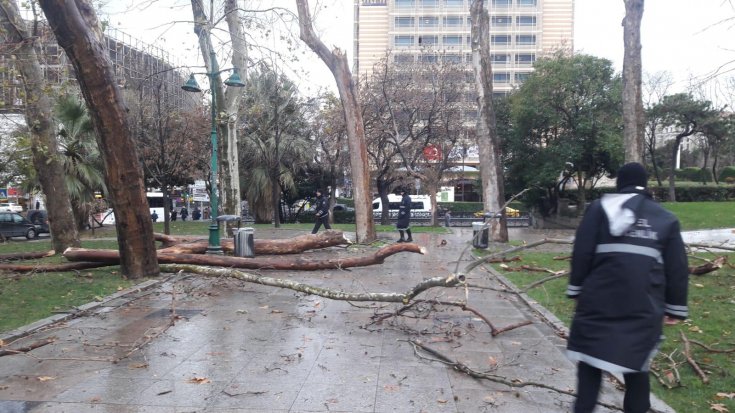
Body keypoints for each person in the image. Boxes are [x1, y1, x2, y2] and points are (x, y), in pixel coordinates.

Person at [566, 162, 689, 413]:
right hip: (643, 306)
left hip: (598, 301)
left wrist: (576, 290)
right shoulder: (666, 219)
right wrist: (675, 307)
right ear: (647, 184)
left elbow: (582, 252)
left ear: (619, 183)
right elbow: (677, 267)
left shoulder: (598, 210)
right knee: (637, 370)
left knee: (590, 366)